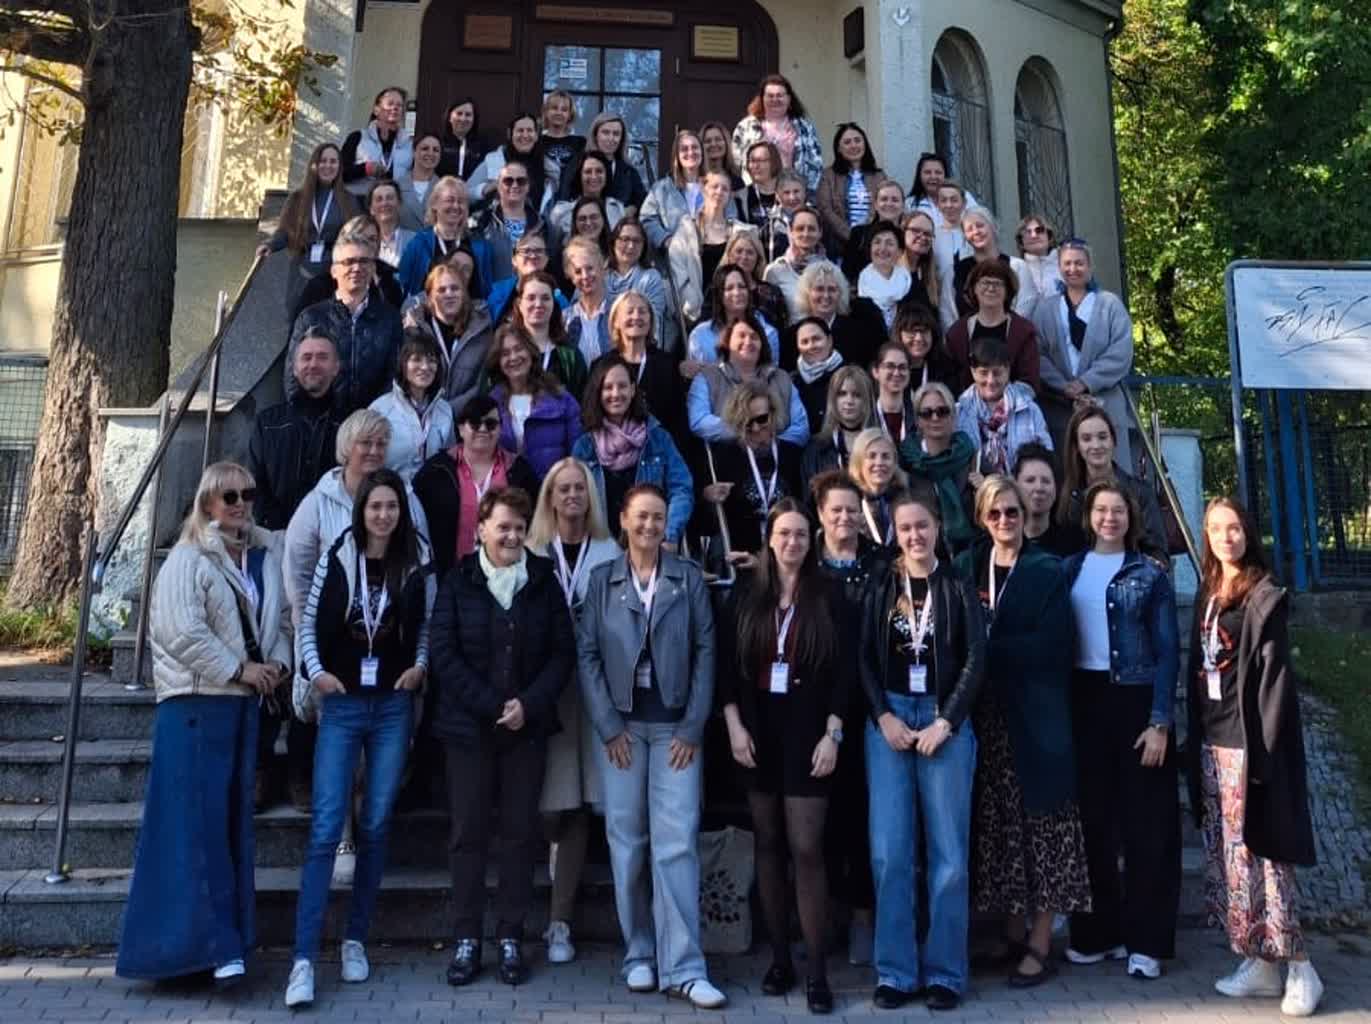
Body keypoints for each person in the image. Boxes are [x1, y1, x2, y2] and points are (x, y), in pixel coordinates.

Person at [116, 462, 290, 986]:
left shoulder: (263, 557)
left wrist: (276, 665)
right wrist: (239, 669)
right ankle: (211, 948)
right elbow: (180, 632)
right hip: (195, 706)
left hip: (241, 706)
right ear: (207, 502)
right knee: (196, 827)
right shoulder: (187, 558)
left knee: (229, 824)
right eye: (228, 496)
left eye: (247, 494)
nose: (239, 504)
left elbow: (281, 621)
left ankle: (219, 944)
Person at [284, 468, 434, 1009]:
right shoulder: (339, 554)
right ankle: (303, 958)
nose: (384, 515)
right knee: (327, 825)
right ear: (361, 510)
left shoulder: (416, 558)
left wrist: (420, 667)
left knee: (374, 822)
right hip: (343, 702)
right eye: (375, 506)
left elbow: (426, 625)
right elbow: (307, 621)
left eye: (392, 507)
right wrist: (316, 671)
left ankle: (355, 939)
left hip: (392, 704)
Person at [575, 485, 725, 1009]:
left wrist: (692, 727)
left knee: (677, 842)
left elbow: (707, 652)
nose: (649, 526)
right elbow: (587, 655)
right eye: (640, 516)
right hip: (622, 731)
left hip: (674, 731)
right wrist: (607, 725)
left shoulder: (687, 578)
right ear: (623, 520)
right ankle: (639, 952)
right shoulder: (602, 580)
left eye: (658, 517)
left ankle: (684, 966)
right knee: (627, 841)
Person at [429, 486, 575, 987]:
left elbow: (562, 653)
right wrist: (493, 706)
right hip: (468, 731)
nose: (512, 535)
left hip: (526, 731)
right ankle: (467, 938)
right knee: (468, 835)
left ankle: (511, 935)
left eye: (519, 527)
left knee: (519, 835)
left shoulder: (543, 579)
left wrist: (526, 705)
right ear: (482, 530)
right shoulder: (457, 581)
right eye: (503, 527)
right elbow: (443, 653)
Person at [1187, 497, 1322, 1017]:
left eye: (1235, 528)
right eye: (1216, 529)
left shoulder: (1264, 596)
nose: (1226, 538)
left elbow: (1275, 682)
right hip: (1213, 742)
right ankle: (1262, 963)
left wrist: (1265, 750)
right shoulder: (1208, 591)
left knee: (1267, 862)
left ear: (1248, 533)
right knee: (1234, 865)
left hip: (1251, 748)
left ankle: (1302, 967)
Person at [954, 475, 1090, 988]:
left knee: (1045, 831)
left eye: (1012, 512)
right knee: (1000, 829)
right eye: (995, 513)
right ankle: (1011, 934)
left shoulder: (1046, 570)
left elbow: (1052, 645)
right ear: (981, 518)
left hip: (1036, 716)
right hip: (985, 717)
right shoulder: (967, 566)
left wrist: (986, 651)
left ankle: (1040, 940)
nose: (1005, 521)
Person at [718, 499, 849, 1014]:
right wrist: (733, 726)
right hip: (756, 732)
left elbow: (844, 673)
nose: (792, 542)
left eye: (800, 534)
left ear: (810, 540)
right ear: (769, 540)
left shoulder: (829, 595)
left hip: (809, 732)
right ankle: (779, 960)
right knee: (768, 844)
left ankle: (816, 969)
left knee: (807, 847)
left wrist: (833, 734)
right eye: (783, 534)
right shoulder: (747, 595)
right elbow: (727, 668)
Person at [859, 488, 986, 1011]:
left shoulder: (956, 585)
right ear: (895, 532)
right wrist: (882, 716)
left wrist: (947, 721)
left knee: (949, 856)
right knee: (890, 853)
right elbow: (863, 658)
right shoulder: (880, 585)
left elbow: (976, 658)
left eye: (923, 526)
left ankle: (945, 974)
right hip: (890, 718)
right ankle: (895, 972)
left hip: (942, 719)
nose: (914, 535)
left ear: (937, 528)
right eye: (905, 527)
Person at [1063, 481, 1181, 981]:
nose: (1109, 518)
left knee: (1146, 827)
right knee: (1093, 823)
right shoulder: (1070, 569)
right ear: (1088, 516)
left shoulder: (1149, 574)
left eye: (1118, 510)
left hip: (1135, 699)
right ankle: (1098, 934)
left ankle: (1146, 943)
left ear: (1130, 518)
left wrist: (1160, 721)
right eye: (1101, 510)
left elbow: (1168, 652)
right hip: (1085, 700)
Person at [525, 459, 623, 966]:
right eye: (562, 489)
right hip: (544, 688)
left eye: (579, 489)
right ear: (549, 496)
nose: (571, 496)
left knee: (581, 801)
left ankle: (560, 920)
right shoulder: (531, 550)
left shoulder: (609, 552)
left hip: (594, 690)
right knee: (549, 804)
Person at [810, 471, 880, 966]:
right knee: (818, 819)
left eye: (852, 510)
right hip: (811, 709)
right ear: (820, 514)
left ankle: (862, 917)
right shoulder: (805, 563)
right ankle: (822, 917)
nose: (844, 517)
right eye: (835, 509)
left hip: (868, 706)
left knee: (862, 818)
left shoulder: (880, 564)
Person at [1030, 238, 1136, 470]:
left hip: (1105, 402)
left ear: (1090, 266)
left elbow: (1121, 351)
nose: (1073, 269)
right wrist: (1064, 386)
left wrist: (1086, 383)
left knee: (1111, 473)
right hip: (1061, 406)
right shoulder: (1046, 308)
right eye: (1067, 263)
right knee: (1067, 471)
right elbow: (1038, 354)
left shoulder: (1110, 305)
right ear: (1059, 267)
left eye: (1079, 263)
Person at [412, 395, 538, 580]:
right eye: (475, 423)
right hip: (453, 577)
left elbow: (535, 522)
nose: (483, 429)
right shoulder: (436, 471)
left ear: (500, 429)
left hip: (508, 576)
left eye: (491, 424)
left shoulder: (520, 471)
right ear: (461, 429)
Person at [572, 354, 693, 542]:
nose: (615, 394)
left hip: (650, 543)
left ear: (633, 389)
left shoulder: (657, 438)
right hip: (600, 546)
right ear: (598, 392)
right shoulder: (584, 446)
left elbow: (681, 489)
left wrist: (667, 534)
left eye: (622, 386)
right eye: (608, 387)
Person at [286, 229, 403, 414]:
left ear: (373, 268)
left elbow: (394, 376)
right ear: (334, 271)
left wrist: (372, 418)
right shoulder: (310, 317)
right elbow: (293, 376)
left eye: (363, 261)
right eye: (348, 262)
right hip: (320, 422)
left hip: (372, 422)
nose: (356, 268)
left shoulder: (390, 319)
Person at [249, 328, 343, 535]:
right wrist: (277, 527)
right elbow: (253, 482)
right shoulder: (267, 423)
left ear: (336, 367)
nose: (313, 364)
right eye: (306, 357)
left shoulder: (349, 424)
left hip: (332, 536)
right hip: (275, 536)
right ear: (294, 368)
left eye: (322, 357)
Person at [701, 380, 805, 562]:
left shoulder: (792, 455)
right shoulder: (723, 457)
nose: (756, 428)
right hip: (742, 556)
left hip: (787, 554)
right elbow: (705, 521)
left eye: (762, 419)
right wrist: (707, 496)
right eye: (748, 422)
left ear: (773, 414)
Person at [1057, 405, 1167, 560]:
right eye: (1086, 439)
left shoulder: (1141, 492)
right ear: (1077, 447)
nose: (1096, 445)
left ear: (1113, 441)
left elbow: (1158, 553)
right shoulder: (1068, 495)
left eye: (1102, 437)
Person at [257, 142, 357, 314]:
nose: (328, 166)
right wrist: (270, 245)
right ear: (314, 165)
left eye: (333, 161)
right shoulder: (297, 198)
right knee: (298, 318)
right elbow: (285, 231)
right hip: (302, 269)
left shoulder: (349, 200)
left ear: (339, 166)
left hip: (335, 272)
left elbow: (357, 234)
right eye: (323, 161)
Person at [688, 313, 809, 446]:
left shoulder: (781, 377)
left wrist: (773, 445)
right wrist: (747, 430)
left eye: (754, 337)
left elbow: (801, 427)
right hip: (730, 455)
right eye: (741, 336)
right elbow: (699, 421)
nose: (748, 341)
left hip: (779, 453)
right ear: (727, 343)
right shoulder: (706, 378)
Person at [485, 323, 582, 480]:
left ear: (531, 352)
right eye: (505, 353)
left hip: (552, 489)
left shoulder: (562, 399)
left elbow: (577, 457)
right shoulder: (490, 404)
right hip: (509, 492)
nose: (513, 357)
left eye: (519, 349)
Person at [956, 337, 1052, 485]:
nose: (990, 381)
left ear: (1007, 370)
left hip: (1021, 492)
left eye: (997, 373)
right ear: (973, 371)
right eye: (983, 373)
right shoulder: (958, 413)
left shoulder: (1029, 410)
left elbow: (1047, 456)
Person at [898, 381, 978, 555]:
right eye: (927, 413)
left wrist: (985, 489)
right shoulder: (905, 463)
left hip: (970, 554)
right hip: (923, 554)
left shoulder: (973, 458)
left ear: (953, 416)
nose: (935, 418)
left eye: (942, 411)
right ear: (918, 420)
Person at [595, 291, 686, 443]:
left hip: (657, 450)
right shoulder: (601, 367)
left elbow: (678, 421)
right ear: (616, 321)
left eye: (642, 312)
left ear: (650, 321)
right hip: (611, 450)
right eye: (629, 311)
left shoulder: (668, 365)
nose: (636, 316)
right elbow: (593, 416)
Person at [368, 329, 455, 483]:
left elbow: (450, 459)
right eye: (416, 359)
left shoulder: (445, 410)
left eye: (432, 360)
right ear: (403, 364)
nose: (425, 367)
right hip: (391, 493)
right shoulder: (380, 409)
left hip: (433, 493)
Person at [945, 260, 1042, 395]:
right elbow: (951, 379)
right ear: (974, 288)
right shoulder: (957, 332)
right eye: (985, 282)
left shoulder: (1023, 331)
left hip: (1014, 405)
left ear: (1008, 291)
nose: (991, 288)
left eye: (998, 284)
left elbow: (1029, 380)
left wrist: (1003, 403)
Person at [409, 261, 493, 413]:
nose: (449, 294)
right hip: (423, 416)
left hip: (467, 417)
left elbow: (481, 383)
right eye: (441, 290)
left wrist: (449, 412)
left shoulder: (482, 331)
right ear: (429, 297)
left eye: (455, 288)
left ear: (464, 293)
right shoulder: (415, 330)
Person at [667, 170, 743, 324]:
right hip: (697, 316)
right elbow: (678, 274)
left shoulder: (738, 232)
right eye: (715, 186)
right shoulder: (686, 231)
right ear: (703, 188)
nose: (719, 192)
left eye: (725, 189)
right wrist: (692, 307)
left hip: (732, 315)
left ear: (730, 195)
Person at [782, 259, 885, 370]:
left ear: (840, 293)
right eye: (819, 289)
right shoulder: (792, 335)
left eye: (832, 289)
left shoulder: (859, 333)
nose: (826, 296)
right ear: (807, 293)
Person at [397, 176, 488, 298]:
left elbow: (486, 290)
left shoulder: (479, 246)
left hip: (468, 309)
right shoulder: (418, 244)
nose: (456, 206)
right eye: (450, 200)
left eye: (461, 202)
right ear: (435, 204)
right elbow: (404, 285)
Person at [732, 73, 823, 194]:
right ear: (762, 99)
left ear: (789, 99)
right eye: (770, 96)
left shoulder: (804, 128)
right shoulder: (745, 127)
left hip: (793, 195)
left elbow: (815, 164)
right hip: (756, 195)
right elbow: (735, 163)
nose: (775, 100)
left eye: (780, 95)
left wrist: (808, 194)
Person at [506, 271, 589, 400]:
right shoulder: (506, 351)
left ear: (553, 304)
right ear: (519, 304)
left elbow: (582, 402)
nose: (538, 304)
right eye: (531, 298)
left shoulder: (569, 355)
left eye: (545, 298)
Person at [684, 262, 782, 368]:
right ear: (719, 295)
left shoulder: (768, 334)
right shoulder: (700, 335)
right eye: (729, 288)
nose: (737, 293)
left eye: (742, 287)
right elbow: (695, 374)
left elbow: (770, 374)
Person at [473, 159, 546, 287]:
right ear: (498, 185)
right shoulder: (482, 221)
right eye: (508, 181)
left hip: (531, 295)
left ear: (528, 186)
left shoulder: (543, 224)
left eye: (521, 181)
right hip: (493, 296)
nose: (515, 185)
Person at [816, 123, 883, 255]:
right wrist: (852, 236)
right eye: (847, 142)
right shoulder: (828, 176)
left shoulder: (879, 176)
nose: (853, 145)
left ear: (865, 144)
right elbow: (825, 209)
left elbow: (882, 208)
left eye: (857, 140)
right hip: (839, 247)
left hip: (871, 245)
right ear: (839, 149)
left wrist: (867, 237)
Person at [559, 111, 646, 210]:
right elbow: (564, 199)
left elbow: (643, 203)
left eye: (616, 134)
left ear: (621, 139)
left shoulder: (629, 171)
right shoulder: (578, 165)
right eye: (605, 132)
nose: (611, 138)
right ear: (595, 135)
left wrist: (632, 209)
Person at [800, 366, 874, 480]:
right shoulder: (815, 448)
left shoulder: (879, 444)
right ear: (832, 399)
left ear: (866, 400)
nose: (849, 401)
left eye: (857, 395)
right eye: (842, 394)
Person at [606, 218, 671, 349]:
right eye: (625, 239)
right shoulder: (600, 276)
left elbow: (653, 322)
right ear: (613, 242)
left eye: (636, 241)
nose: (631, 246)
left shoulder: (650, 277)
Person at [952, 209, 1026, 320]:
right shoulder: (956, 271)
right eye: (969, 229)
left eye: (980, 226)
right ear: (965, 237)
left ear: (993, 227)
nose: (976, 232)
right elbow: (948, 312)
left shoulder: (1017, 266)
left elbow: (1025, 306)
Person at [341, 87, 413, 199]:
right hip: (358, 202)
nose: (395, 108)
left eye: (399, 105)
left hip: (393, 204)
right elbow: (340, 173)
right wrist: (365, 169)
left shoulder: (409, 145)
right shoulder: (357, 137)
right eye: (390, 103)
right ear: (376, 110)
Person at [468, 113, 549, 213]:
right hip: (498, 221)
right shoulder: (494, 161)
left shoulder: (548, 166)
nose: (525, 135)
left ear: (536, 135)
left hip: (537, 222)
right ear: (510, 134)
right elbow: (465, 194)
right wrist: (486, 188)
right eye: (520, 130)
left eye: (530, 130)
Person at [1013, 442, 1084, 556]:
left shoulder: (1075, 544)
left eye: (1046, 481)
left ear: (1056, 488)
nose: (1039, 488)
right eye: (1030, 480)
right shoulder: (1002, 540)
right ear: (1016, 486)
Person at [641, 129, 706, 252]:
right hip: (673, 257)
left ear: (702, 151)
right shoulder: (661, 189)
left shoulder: (715, 185)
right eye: (684, 149)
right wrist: (666, 240)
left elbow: (730, 217)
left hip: (711, 257)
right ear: (677, 155)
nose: (690, 152)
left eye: (695, 147)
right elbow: (647, 220)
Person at [485, 231, 569, 324]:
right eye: (526, 251)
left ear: (546, 259)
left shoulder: (558, 298)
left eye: (539, 251)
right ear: (514, 260)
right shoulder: (496, 291)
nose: (533, 255)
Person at [549, 152, 627, 248]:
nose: (594, 176)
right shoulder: (561, 212)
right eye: (588, 172)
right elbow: (553, 249)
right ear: (579, 175)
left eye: (599, 171)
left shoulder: (617, 209)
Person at [847, 428, 907, 547]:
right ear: (858, 462)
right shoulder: (849, 500)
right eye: (872, 456)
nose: (879, 463)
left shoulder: (909, 497)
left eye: (885, 456)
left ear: (894, 461)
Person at [764, 206, 824, 322]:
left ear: (820, 233)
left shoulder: (830, 270)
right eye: (800, 229)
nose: (806, 234)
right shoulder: (775, 271)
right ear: (790, 232)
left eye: (811, 229)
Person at [841, 179, 907, 281]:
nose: (889, 203)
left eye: (895, 200)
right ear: (875, 205)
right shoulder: (859, 234)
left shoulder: (908, 237)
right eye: (884, 199)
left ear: (903, 205)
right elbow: (848, 272)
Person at [722, 229, 789, 330]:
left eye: (750, 253)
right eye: (739, 251)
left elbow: (782, 330)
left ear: (758, 258)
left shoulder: (772, 293)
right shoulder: (716, 290)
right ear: (729, 255)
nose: (744, 257)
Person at [734, 141, 789, 263]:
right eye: (752, 161)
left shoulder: (789, 193)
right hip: (753, 264)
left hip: (786, 264)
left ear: (774, 162)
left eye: (761, 161)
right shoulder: (740, 197)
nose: (755, 166)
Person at [562, 237, 613, 365]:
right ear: (570, 276)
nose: (585, 276)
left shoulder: (618, 313)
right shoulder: (565, 318)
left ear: (602, 267)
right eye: (578, 271)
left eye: (590, 268)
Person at [858, 220, 914, 329]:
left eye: (889, 243)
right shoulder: (858, 288)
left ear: (900, 252)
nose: (882, 248)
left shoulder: (912, 287)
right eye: (877, 242)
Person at [790, 316, 843, 432]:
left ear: (829, 341)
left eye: (816, 339)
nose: (811, 346)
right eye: (804, 342)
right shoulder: (791, 383)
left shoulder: (848, 375)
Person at [931, 181, 970, 331]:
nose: (949, 205)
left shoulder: (973, 234)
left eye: (954, 200)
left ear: (963, 203)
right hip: (940, 300)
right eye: (944, 200)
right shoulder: (933, 236)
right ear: (937, 204)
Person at [891, 304, 956, 391]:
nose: (919, 338)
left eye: (924, 331)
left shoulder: (947, 370)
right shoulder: (891, 372)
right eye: (912, 332)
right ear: (899, 335)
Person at [905, 152, 981, 221]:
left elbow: (978, 221)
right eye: (927, 172)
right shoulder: (910, 203)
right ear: (920, 175)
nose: (933, 176)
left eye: (938, 172)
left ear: (945, 175)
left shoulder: (964, 196)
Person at [1013, 214, 1060, 318]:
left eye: (1039, 230)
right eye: (1027, 232)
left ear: (1049, 236)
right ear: (1021, 241)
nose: (1034, 235)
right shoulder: (1015, 270)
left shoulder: (1065, 267)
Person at [871, 341, 917, 446]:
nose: (896, 373)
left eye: (902, 367)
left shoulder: (919, 417)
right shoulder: (866, 417)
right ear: (876, 372)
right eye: (890, 366)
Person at [396, 133, 443, 233]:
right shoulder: (397, 186)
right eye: (425, 148)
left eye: (436, 150)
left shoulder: (445, 189)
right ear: (414, 152)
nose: (430, 153)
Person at [538, 90, 585, 191]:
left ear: (570, 115)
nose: (559, 113)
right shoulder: (536, 142)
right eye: (554, 108)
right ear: (546, 111)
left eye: (564, 110)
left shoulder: (580, 143)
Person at [898, 210, 941, 313]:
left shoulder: (931, 277)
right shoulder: (890, 272)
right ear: (903, 232)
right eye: (916, 230)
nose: (922, 237)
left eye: (928, 234)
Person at [368, 180, 416, 269]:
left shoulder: (415, 240)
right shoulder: (363, 242)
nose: (384, 203)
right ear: (371, 209)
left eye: (390, 198)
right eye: (379, 199)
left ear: (399, 204)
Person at [437, 98, 486, 180]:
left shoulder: (483, 147)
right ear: (449, 117)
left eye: (468, 115)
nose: (463, 119)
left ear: (474, 119)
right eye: (459, 113)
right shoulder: (438, 143)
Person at [700, 120, 743, 189]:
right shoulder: (696, 178)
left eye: (718, 139)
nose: (713, 144)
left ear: (726, 143)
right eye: (708, 141)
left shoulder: (737, 180)